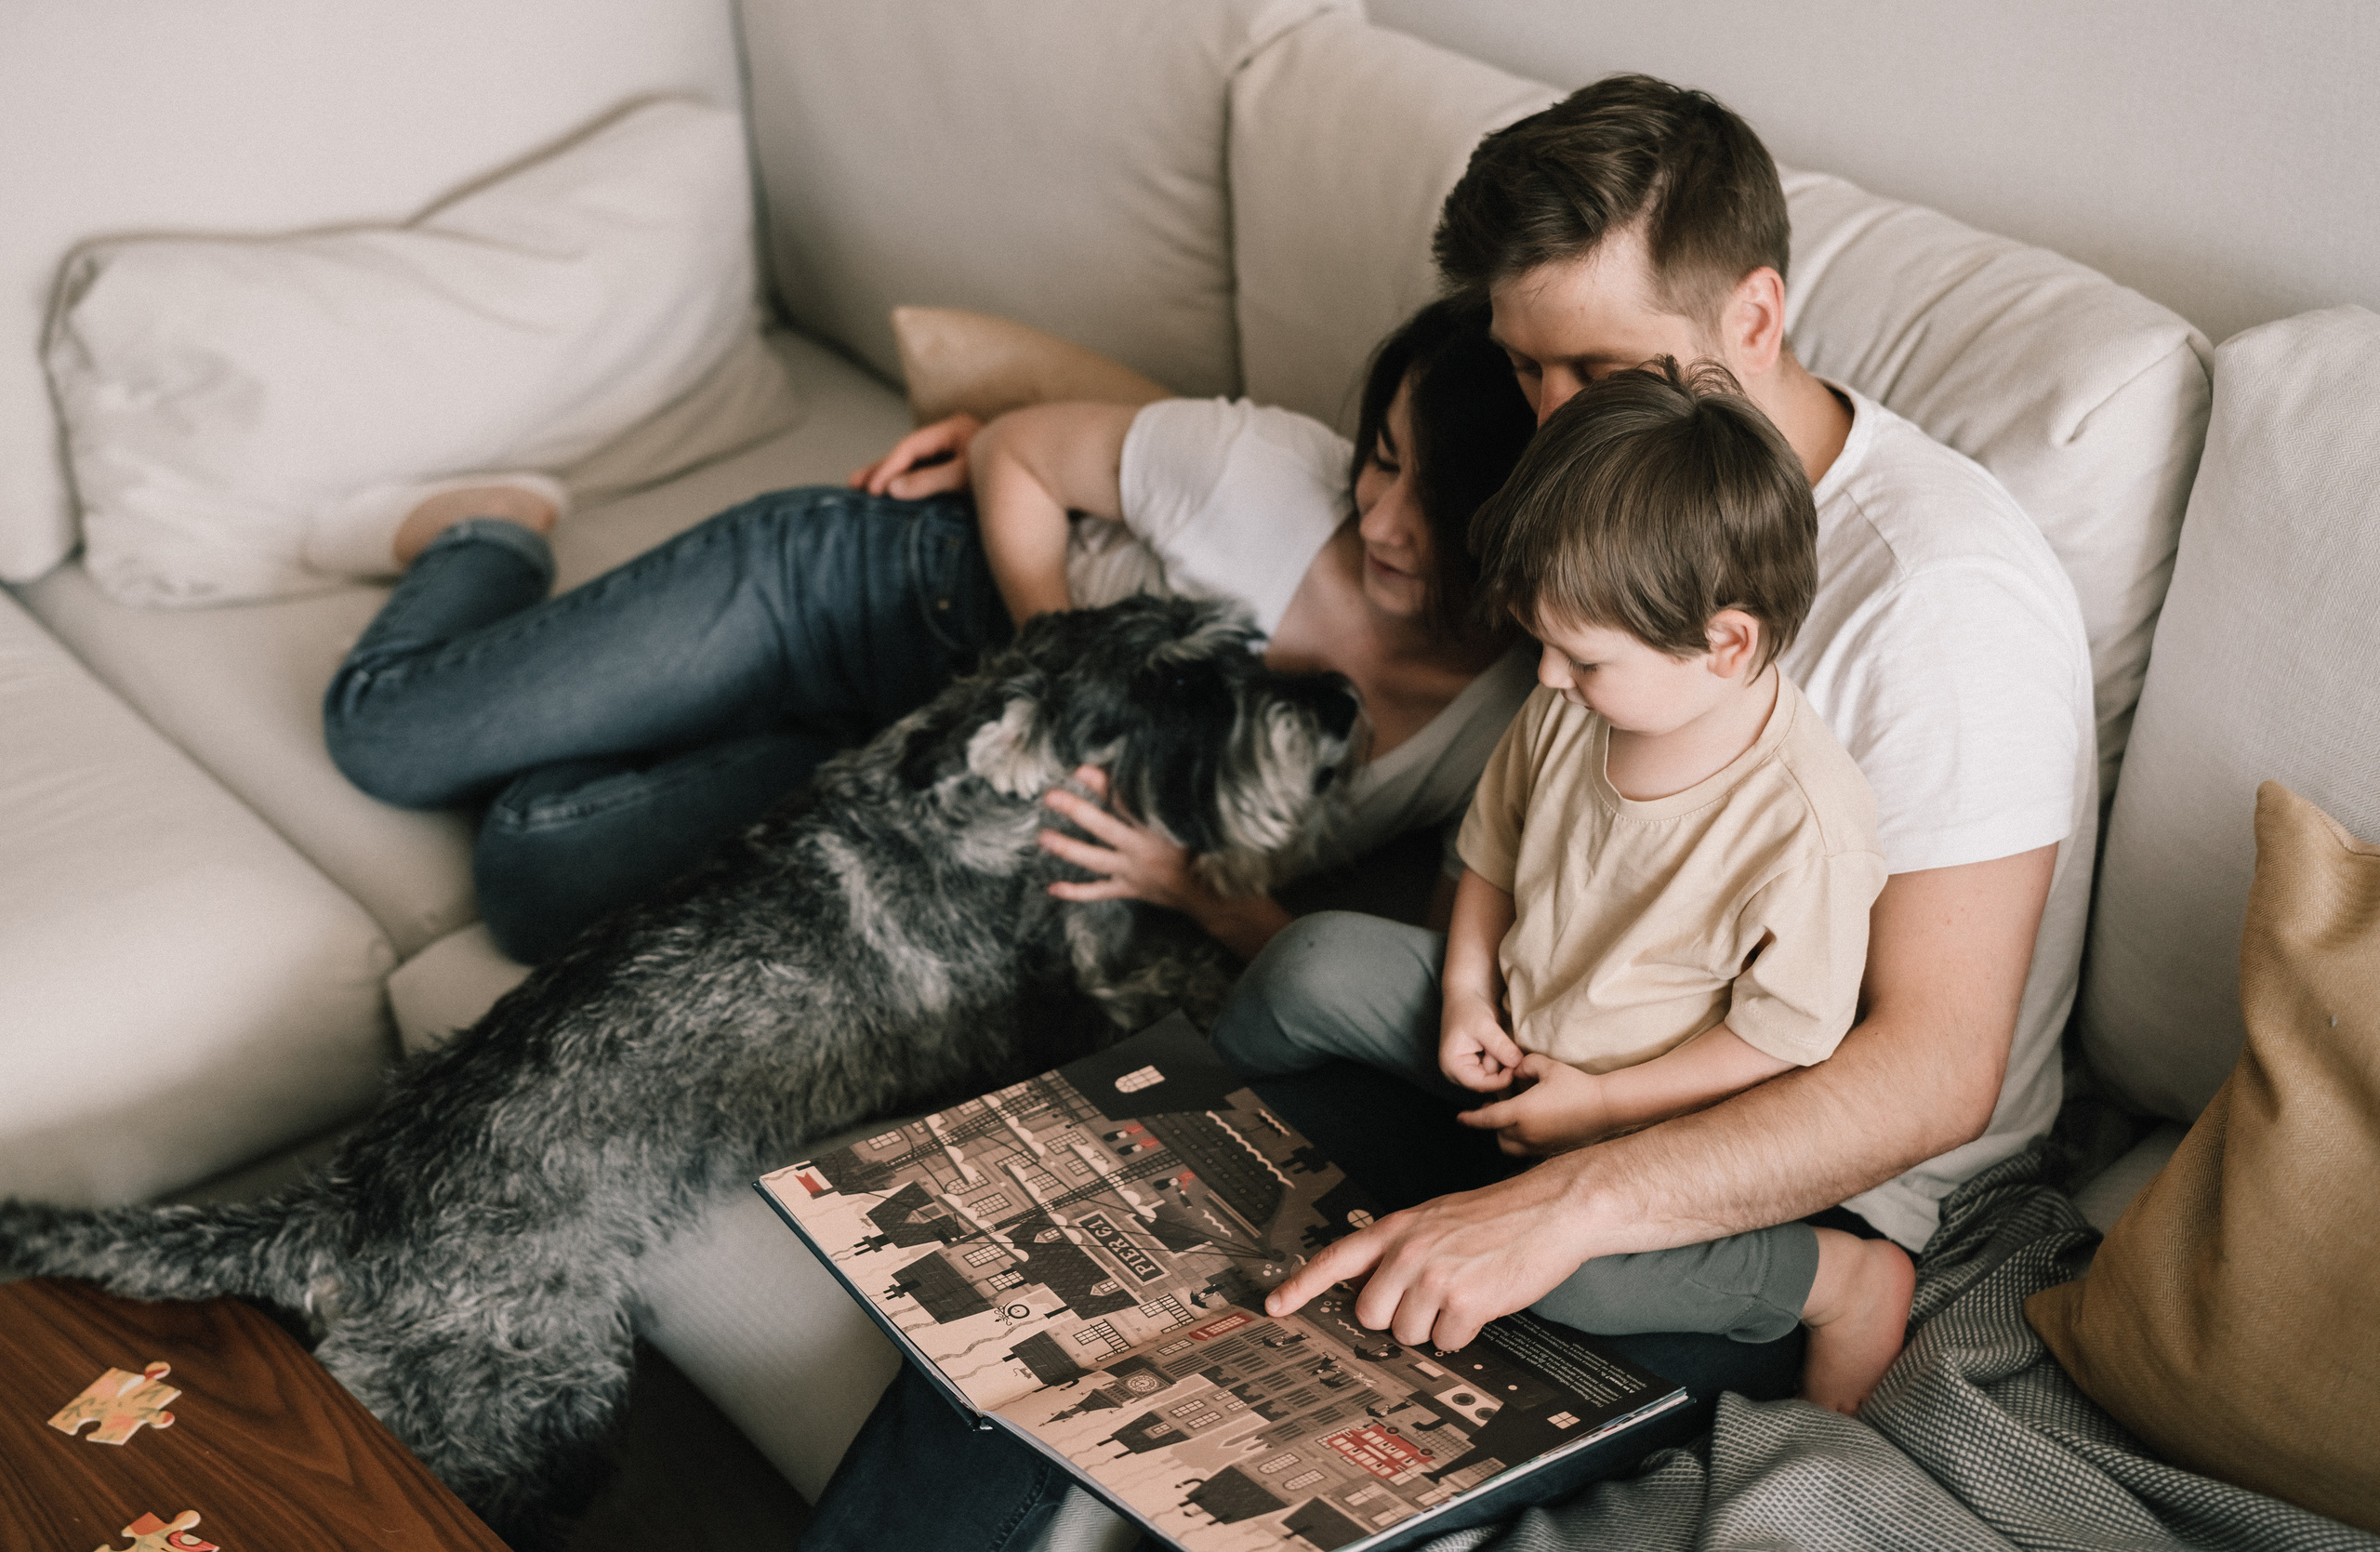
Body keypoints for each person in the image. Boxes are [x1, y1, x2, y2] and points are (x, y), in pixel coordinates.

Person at [800, 71, 2094, 1552]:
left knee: (1256, 1399)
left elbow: (1932, 1073)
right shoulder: (1585, 512)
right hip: (1532, 1044)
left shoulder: (1937, 599)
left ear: (1754, 318)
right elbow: (1508, 821)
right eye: (1524, 369)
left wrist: (1573, 1204)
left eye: (1593, 367)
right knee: (1043, 1290)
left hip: (1767, 1170)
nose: (1545, 419)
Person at [322, 298, 1538, 963]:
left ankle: (697, 722)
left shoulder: (1513, 723)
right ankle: (493, 531)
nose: (1381, 517)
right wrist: (1071, 674)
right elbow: (1012, 451)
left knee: (531, 885)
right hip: (871, 597)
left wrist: (1200, 893)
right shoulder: (1266, 470)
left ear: (1517, 528)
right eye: (1380, 459)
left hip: (922, 776)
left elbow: (1417, 972)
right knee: (386, 737)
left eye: (1432, 502)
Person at [1214, 357, 1911, 1416]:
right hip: (1514, 1032)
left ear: (1725, 644)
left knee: (1575, 1277)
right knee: (1308, 959)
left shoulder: (1805, 828)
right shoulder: (1567, 706)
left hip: (1648, 1123)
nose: (1544, 677)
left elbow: (1780, 1042)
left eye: (1581, 658)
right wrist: (1463, 996)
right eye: (1543, 644)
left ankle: (1837, 1280)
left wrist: (1604, 1102)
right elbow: (1490, 854)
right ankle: (1181, 1108)